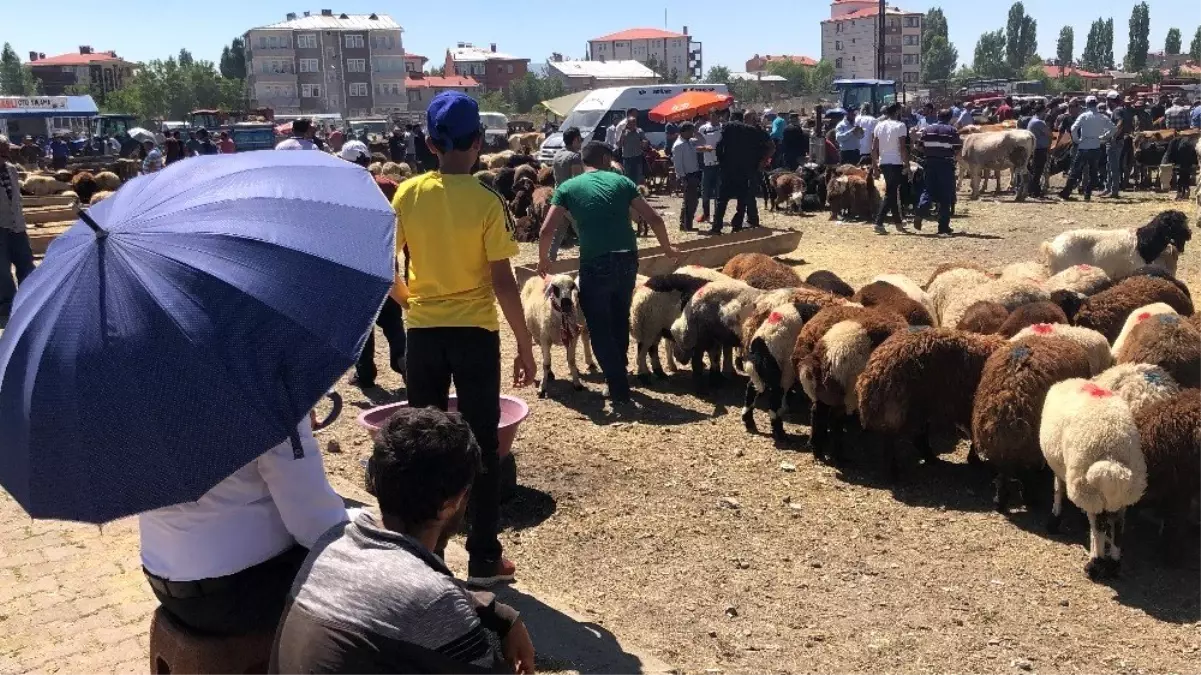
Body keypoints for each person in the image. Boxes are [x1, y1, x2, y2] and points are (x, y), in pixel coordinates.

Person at [392, 91, 536, 587]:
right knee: (483, 446)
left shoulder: (407, 195)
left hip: (424, 335)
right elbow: (503, 280)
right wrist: (525, 342)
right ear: (479, 142)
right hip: (476, 334)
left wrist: (410, 300)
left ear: (431, 144)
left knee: (424, 447)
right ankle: (484, 558)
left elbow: (386, 267)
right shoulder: (486, 200)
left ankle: (424, 553)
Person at [271, 406, 536, 675]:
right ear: (452, 502)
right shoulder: (434, 600)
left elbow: (397, 590)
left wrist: (500, 614)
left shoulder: (330, 543)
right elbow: (425, 598)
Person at [139, 415, 351, 636]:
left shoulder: (141, 400)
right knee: (352, 574)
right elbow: (317, 525)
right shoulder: (264, 394)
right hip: (237, 594)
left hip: (164, 583)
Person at [537, 141, 676, 406]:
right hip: (627, 260)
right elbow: (654, 218)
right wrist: (667, 248)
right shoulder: (622, 182)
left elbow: (546, 231)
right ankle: (619, 372)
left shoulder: (567, 187)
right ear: (602, 158)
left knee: (598, 325)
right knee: (619, 318)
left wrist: (544, 260)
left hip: (595, 262)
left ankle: (617, 383)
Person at [713, 110, 772, 235]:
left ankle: (716, 227)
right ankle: (737, 225)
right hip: (745, 170)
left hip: (728, 169)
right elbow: (768, 146)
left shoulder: (729, 127)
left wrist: (721, 162)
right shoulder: (754, 131)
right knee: (742, 200)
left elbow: (719, 146)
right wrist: (760, 162)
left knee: (722, 199)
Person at [1, 136, 35, 329]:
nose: (6, 153)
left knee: (26, 263)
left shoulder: (12, 170)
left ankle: (30, 299)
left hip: (17, 225)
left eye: (6, 149)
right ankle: (7, 306)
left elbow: (16, 198)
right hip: (0, 226)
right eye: (2, 150)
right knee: (2, 270)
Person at [912, 109, 961, 237]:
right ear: (950, 118)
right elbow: (957, 149)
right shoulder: (952, 131)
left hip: (930, 163)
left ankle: (919, 212)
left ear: (938, 116)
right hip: (945, 165)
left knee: (928, 190)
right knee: (945, 195)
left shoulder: (927, 129)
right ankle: (943, 228)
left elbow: (918, 146)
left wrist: (928, 153)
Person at [1059, 96, 1114, 202]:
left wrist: (1076, 140)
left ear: (1087, 104)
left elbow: (1073, 128)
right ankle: (1087, 192)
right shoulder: (1102, 117)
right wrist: (1104, 137)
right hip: (1096, 147)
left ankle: (1066, 193)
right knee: (1093, 173)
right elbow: (1113, 128)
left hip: (1083, 146)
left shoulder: (1084, 116)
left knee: (1075, 171)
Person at [870, 103, 910, 236]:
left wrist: (875, 166)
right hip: (896, 162)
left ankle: (898, 222)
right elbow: (903, 148)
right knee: (891, 192)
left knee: (892, 192)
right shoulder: (900, 126)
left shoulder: (879, 126)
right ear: (897, 112)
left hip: (884, 162)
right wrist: (907, 164)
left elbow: (873, 149)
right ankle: (878, 222)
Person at [547, 126, 584, 260]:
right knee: (584, 234)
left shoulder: (558, 155)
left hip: (558, 198)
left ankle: (549, 261)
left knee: (558, 233)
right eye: (580, 140)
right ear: (575, 140)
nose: (581, 143)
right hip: (571, 202)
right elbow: (577, 181)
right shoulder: (574, 157)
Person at [671, 122, 709, 232]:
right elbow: (678, 164)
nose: (692, 133)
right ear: (684, 132)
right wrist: (682, 178)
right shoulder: (678, 145)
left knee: (693, 200)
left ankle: (687, 224)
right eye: (690, 131)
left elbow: (703, 141)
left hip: (694, 173)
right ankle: (685, 224)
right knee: (689, 201)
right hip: (687, 175)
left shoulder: (690, 142)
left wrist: (696, 133)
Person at [696, 108, 723, 224]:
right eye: (711, 115)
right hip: (707, 164)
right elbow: (697, 145)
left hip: (719, 164)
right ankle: (706, 214)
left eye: (715, 115)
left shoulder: (723, 128)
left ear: (719, 116)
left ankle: (717, 215)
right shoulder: (703, 128)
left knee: (718, 191)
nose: (713, 117)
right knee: (705, 191)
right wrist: (703, 149)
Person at [1103, 91, 1131, 198]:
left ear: (1111, 100)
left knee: (1113, 167)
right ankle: (1108, 188)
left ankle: (1114, 190)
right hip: (1119, 141)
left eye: (1107, 100)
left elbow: (1120, 123)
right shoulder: (1122, 109)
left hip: (1114, 142)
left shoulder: (1116, 111)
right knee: (1110, 165)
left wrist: (1114, 136)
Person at [1026, 105, 1051, 199]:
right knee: (1038, 171)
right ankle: (1035, 191)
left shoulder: (1032, 121)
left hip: (1034, 148)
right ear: (1042, 111)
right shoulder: (1039, 123)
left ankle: (1033, 190)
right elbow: (1049, 134)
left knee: (1035, 170)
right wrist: (1049, 146)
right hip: (1041, 149)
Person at [617, 108, 645, 183]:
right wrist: (623, 135)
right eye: (630, 123)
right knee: (627, 175)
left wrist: (644, 143)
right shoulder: (624, 132)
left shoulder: (639, 131)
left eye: (634, 122)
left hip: (637, 156)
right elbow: (619, 145)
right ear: (628, 124)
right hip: (627, 157)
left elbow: (644, 142)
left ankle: (638, 190)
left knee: (638, 175)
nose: (632, 124)